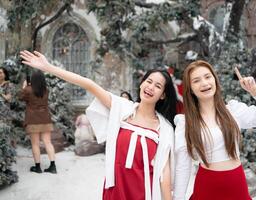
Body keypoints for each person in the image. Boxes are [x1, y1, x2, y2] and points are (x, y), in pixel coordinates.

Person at [20, 50, 177, 200]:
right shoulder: (122, 108)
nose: (151, 87)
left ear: (163, 95)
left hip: (145, 192)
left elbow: (165, 172)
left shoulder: (164, 129)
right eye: (148, 81)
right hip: (116, 188)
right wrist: (48, 67)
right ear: (142, 84)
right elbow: (89, 84)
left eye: (158, 86)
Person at [173, 60, 256, 200]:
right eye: (196, 80)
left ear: (215, 80)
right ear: (190, 89)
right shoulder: (186, 123)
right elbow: (183, 167)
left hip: (237, 185)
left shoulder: (233, 111)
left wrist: (255, 92)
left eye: (208, 77)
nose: (204, 83)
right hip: (207, 187)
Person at [20, 70, 56, 174]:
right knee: (48, 142)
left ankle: (37, 167)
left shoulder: (28, 90)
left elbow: (21, 98)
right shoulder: (46, 90)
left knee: (35, 144)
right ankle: (53, 166)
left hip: (33, 120)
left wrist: (24, 86)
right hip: (45, 119)